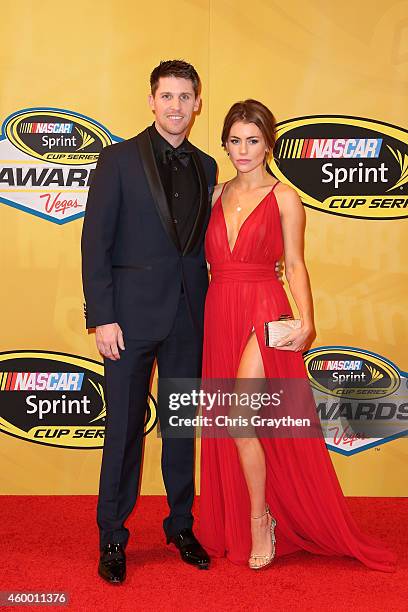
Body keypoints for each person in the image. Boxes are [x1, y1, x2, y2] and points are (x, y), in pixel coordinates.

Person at [199, 99, 397, 572]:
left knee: (239, 419)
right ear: (224, 142)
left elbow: (294, 263)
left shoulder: (284, 196)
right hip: (219, 307)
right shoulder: (213, 193)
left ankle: (259, 520)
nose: (242, 150)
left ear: (268, 144)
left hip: (264, 311)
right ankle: (250, 512)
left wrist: (307, 322)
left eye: (252, 140)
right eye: (234, 140)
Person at [81, 60, 217, 583]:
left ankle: (181, 525)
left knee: (181, 430)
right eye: (167, 96)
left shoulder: (207, 167)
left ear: (197, 103)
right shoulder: (116, 160)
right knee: (123, 433)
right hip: (129, 322)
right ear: (151, 100)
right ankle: (112, 536)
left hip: (187, 316)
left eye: (186, 96)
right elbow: (96, 243)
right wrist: (103, 318)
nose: (176, 106)